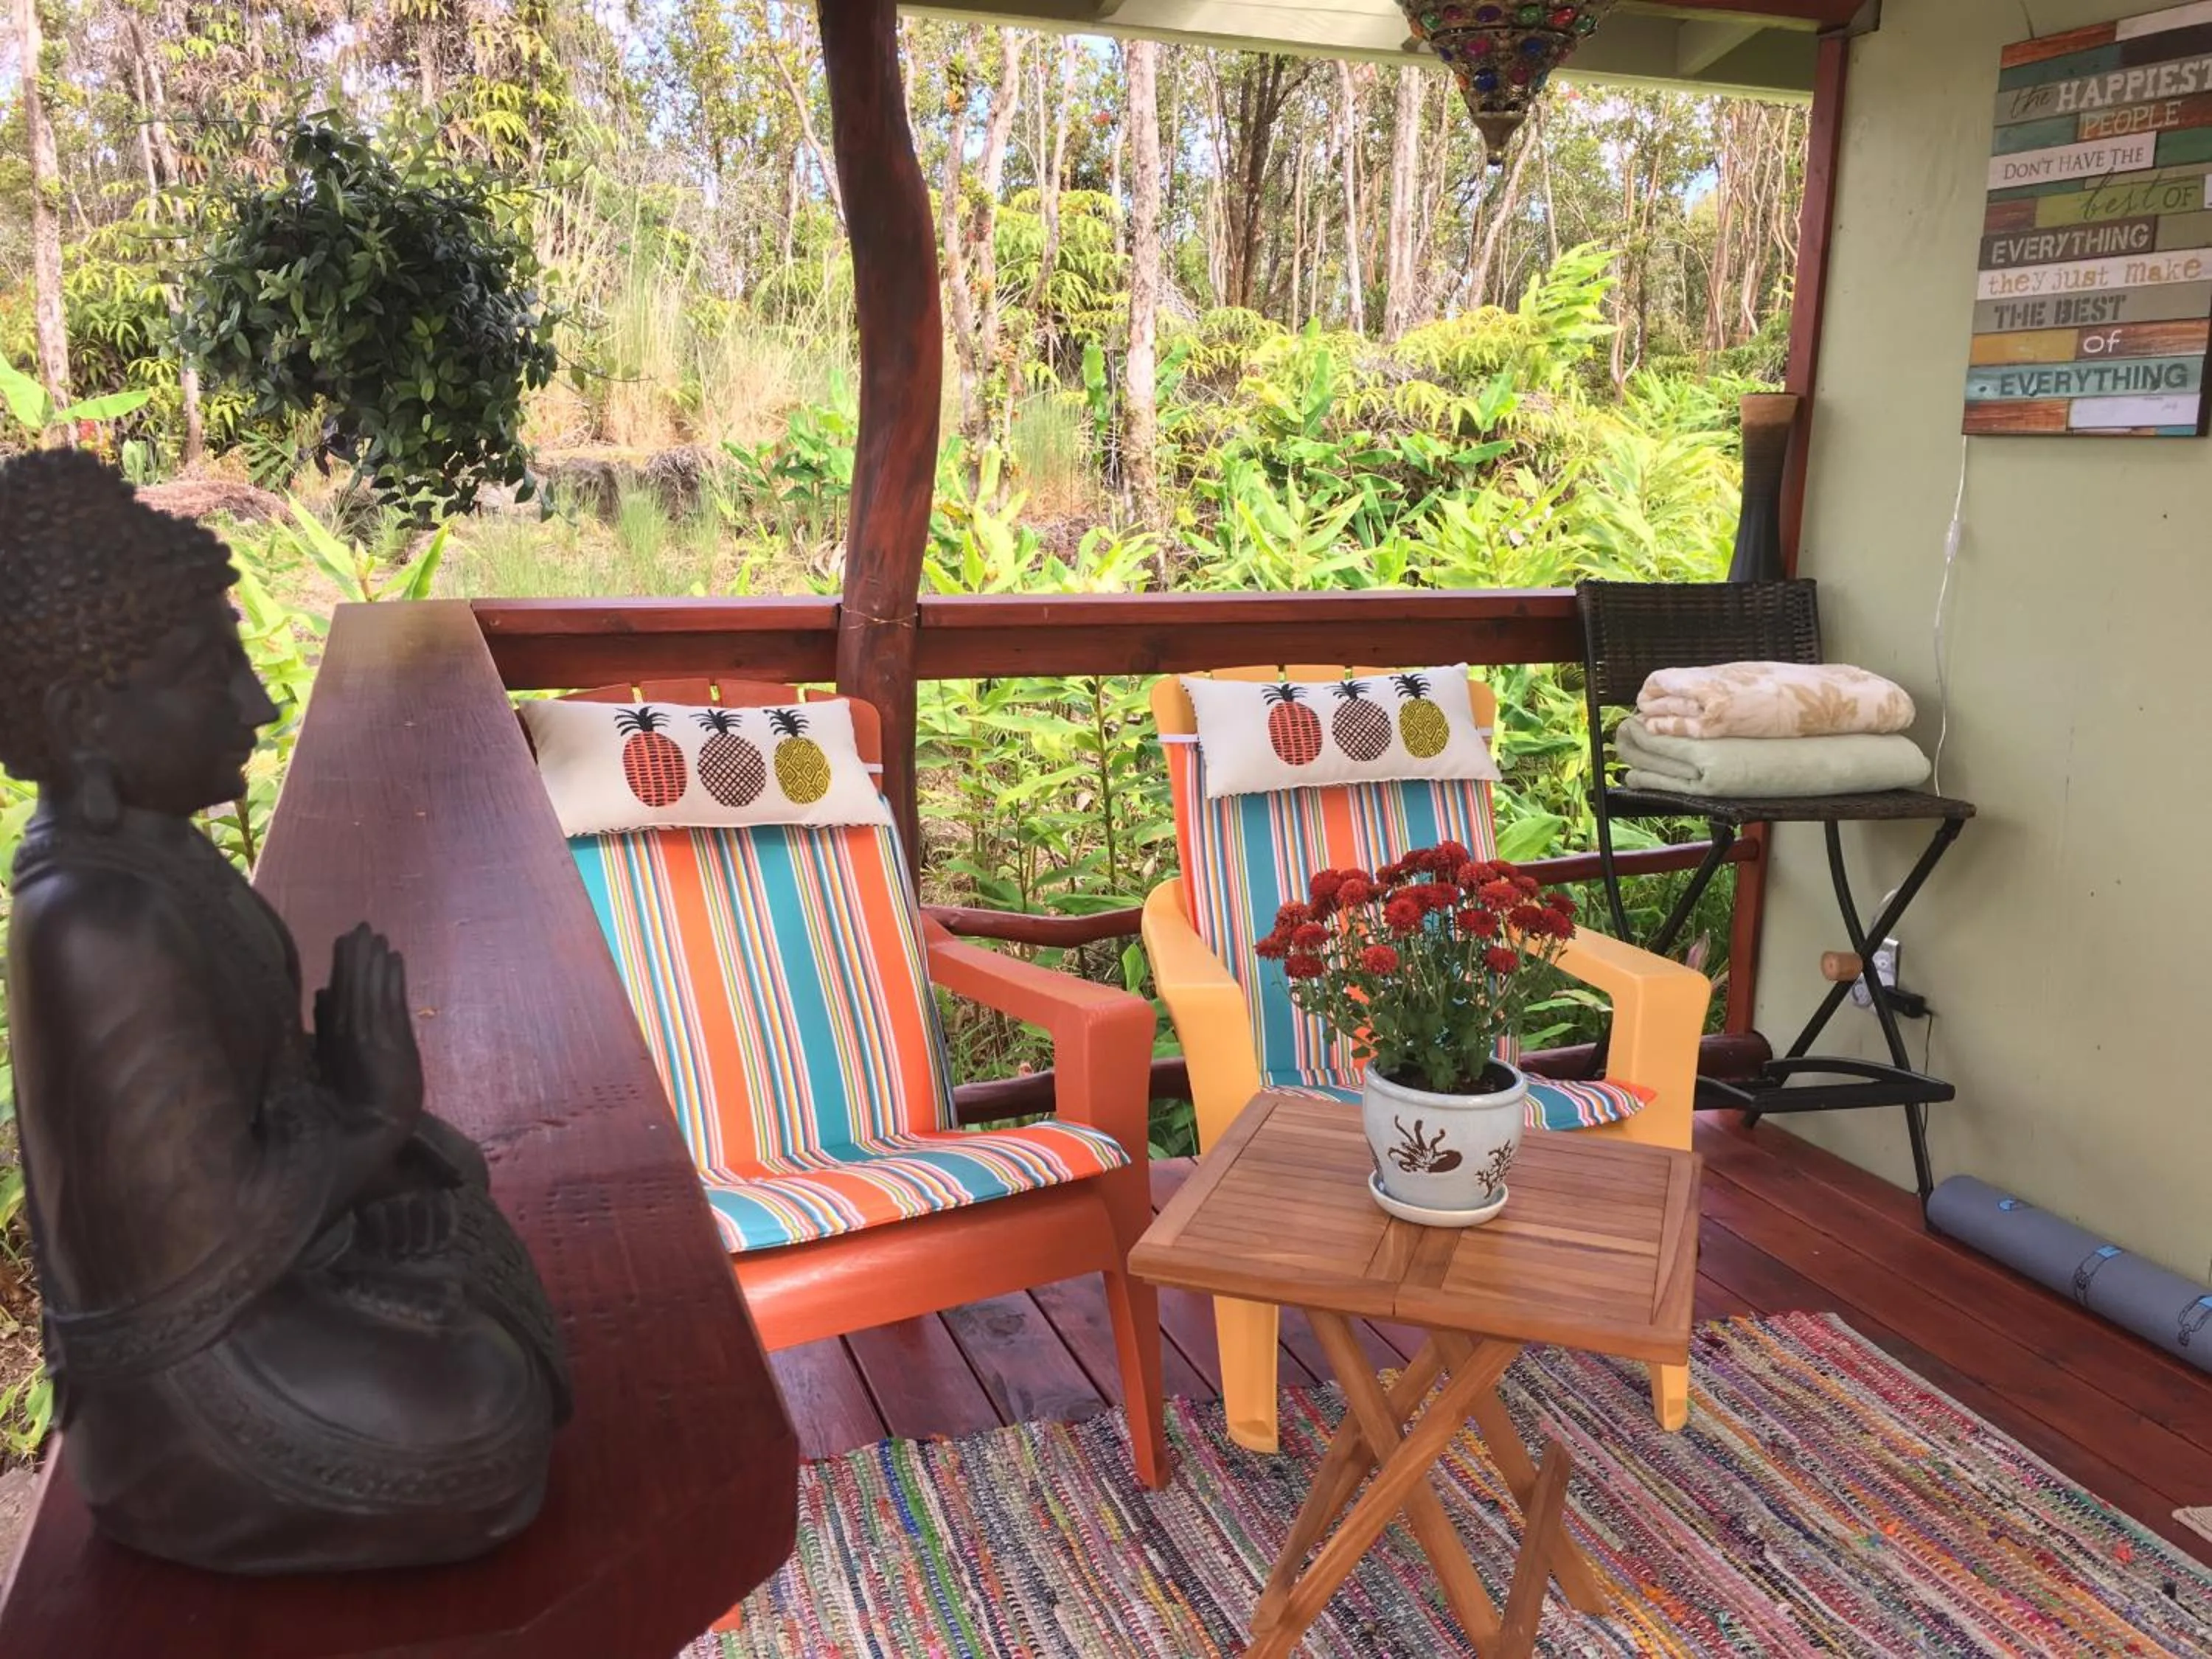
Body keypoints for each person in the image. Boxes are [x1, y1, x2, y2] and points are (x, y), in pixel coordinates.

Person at [0, 450, 568, 1573]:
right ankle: (191, 1495)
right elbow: (189, 1249)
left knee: (459, 1200)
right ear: (83, 714)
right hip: (190, 1375)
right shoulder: (93, 919)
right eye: (209, 670)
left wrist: (387, 1149)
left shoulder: (154, 857)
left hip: (255, 1294)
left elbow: (251, 1105)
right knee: (487, 1409)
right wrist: (368, 1120)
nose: (257, 698)